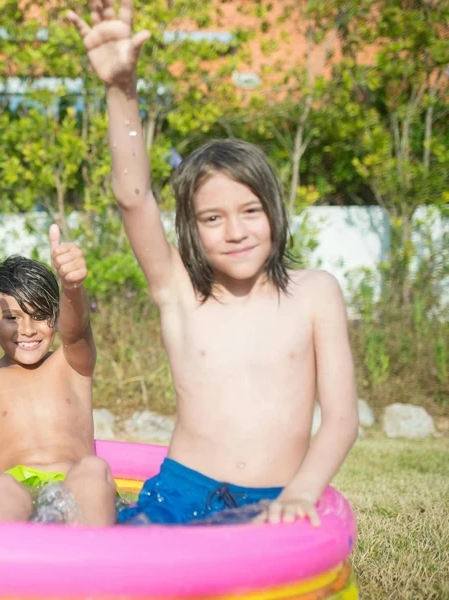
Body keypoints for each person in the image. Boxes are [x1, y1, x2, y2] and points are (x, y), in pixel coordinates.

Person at [68, 0, 359, 526]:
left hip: (275, 494)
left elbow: (341, 420)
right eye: (211, 219)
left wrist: (300, 494)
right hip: (179, 495)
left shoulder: (316, 293)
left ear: (273, 210)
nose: (235, 231)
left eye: (250, 211)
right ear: (191, 230)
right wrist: (121, 89)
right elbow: (134, 196)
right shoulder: (179, 291)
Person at [0, 219, 117, 525]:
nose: (26, 330)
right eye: (12, 317)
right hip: (10, 492)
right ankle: (10, 567)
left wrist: (72, 286)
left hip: (73, 485)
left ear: (57, 318)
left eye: (40, 316)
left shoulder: (71, 364)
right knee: (0, 487)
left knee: (95, 470)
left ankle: (92, 564)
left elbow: (77, 331)